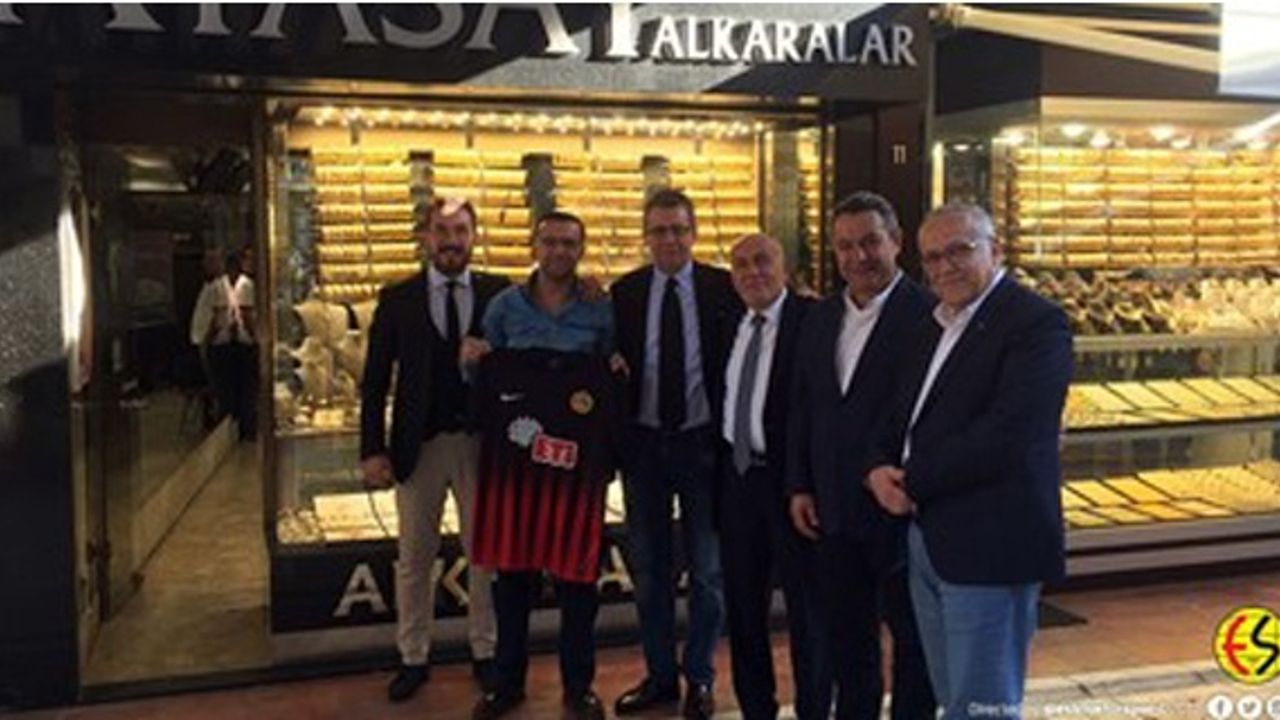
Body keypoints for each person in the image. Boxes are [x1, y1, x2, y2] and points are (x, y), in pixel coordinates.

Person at [865, 202, 1072, 719]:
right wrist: (876, 469)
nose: (945, 266)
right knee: (954, 698)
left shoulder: (1035, 323)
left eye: (959, 250)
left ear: (995, 249)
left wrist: (912, 481)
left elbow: (1010, 434)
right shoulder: (935, 323)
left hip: (990, 545)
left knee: (984, 705)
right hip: (929, 538)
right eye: (933, 257)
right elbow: (900, 415)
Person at [786, 192, 936, 719]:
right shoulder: (821, 316)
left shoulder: (930, 315)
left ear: (896, 241)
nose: (859, 256)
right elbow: (803, 406)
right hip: (833, 509)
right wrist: (799, 485)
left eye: (871, 242)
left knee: (914, 644)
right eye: (846, 246)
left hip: (901, 509)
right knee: (848, 642)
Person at [464, 211, 616, 720]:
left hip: (576, 471)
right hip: (515, 469)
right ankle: (506, 684)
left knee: (579, 584)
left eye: (569, 243)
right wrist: (475, 361)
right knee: (512, 582)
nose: (558, 251)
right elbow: (481, 378)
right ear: (535, 245)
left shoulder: (600, 309)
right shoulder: (504, 308)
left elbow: (614, 375)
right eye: (550, 242)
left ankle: (580, 686)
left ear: (581, 249)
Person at [360, 197, 505, 703]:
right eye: (442, 230)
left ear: (474, 236)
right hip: (416, 447)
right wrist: (372, 449)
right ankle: (413, 656)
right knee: (414, 558)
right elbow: (375, 380)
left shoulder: (499, 292)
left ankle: (485, 651)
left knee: (484, 556)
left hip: (480, 443)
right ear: (426, 237)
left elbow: (524, 354)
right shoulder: (397, 298)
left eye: (460, 230)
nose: (451, 240)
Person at [611, 188, 739, 720]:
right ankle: (660, 677)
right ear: (646, 236)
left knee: (708, 573)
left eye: (679, 230)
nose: (670, 239)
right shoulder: (624, 292)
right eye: (660, 230)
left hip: (702, 445)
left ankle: (700, 678)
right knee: (649, 574)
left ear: (694, 233)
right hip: (643, 447)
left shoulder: (723, 288)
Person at [716, 233, 819, 720]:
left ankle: (814, 706)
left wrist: (807, 481)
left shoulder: (813, 320)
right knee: (742, 605)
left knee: (806, 607)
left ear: (785, 268)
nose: (752, 272)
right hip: (738, 482)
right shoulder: (727, 324)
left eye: (763, 261)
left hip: (792, 485)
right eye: (741, 264)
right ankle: (756, 707)